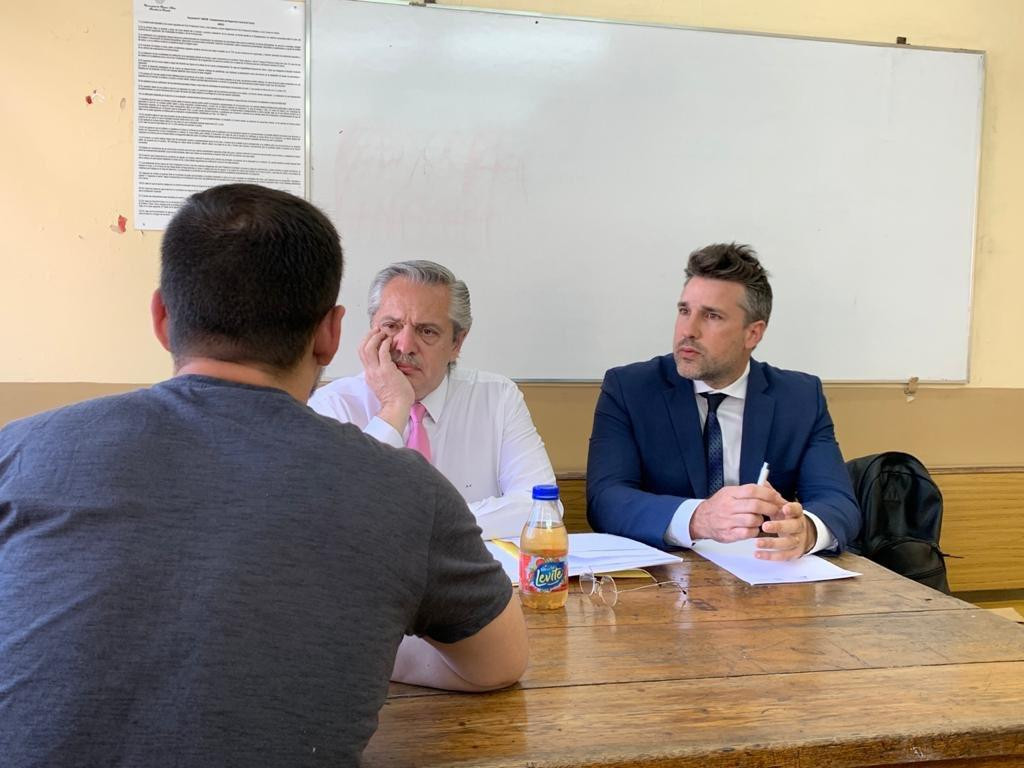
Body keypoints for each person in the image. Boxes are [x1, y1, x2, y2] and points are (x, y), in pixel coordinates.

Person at [0, 184, 528, 768]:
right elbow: (499, 663)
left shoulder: (16, 450)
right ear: (333, 334)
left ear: (161, 318)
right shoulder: (407, 489)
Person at [586, 242, 859, 560]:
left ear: (753, 334)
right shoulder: (630, 389)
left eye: (712, 316)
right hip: (663, 582)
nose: (688, 330)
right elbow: (606, 500)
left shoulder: (798, 398)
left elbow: (839, 502)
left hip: (766, 580)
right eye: (684, 311)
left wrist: (806, 531)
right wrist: (699, 518)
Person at [309, 260, 556, 540]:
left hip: (469, 578)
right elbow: (342, 516)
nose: (404, 345)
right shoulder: (332, 405)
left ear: (456, 344)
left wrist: (426, 524)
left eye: (426, 331)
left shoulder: (496, 398)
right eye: (391, 326)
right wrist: (394, 406)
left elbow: (541, 507)